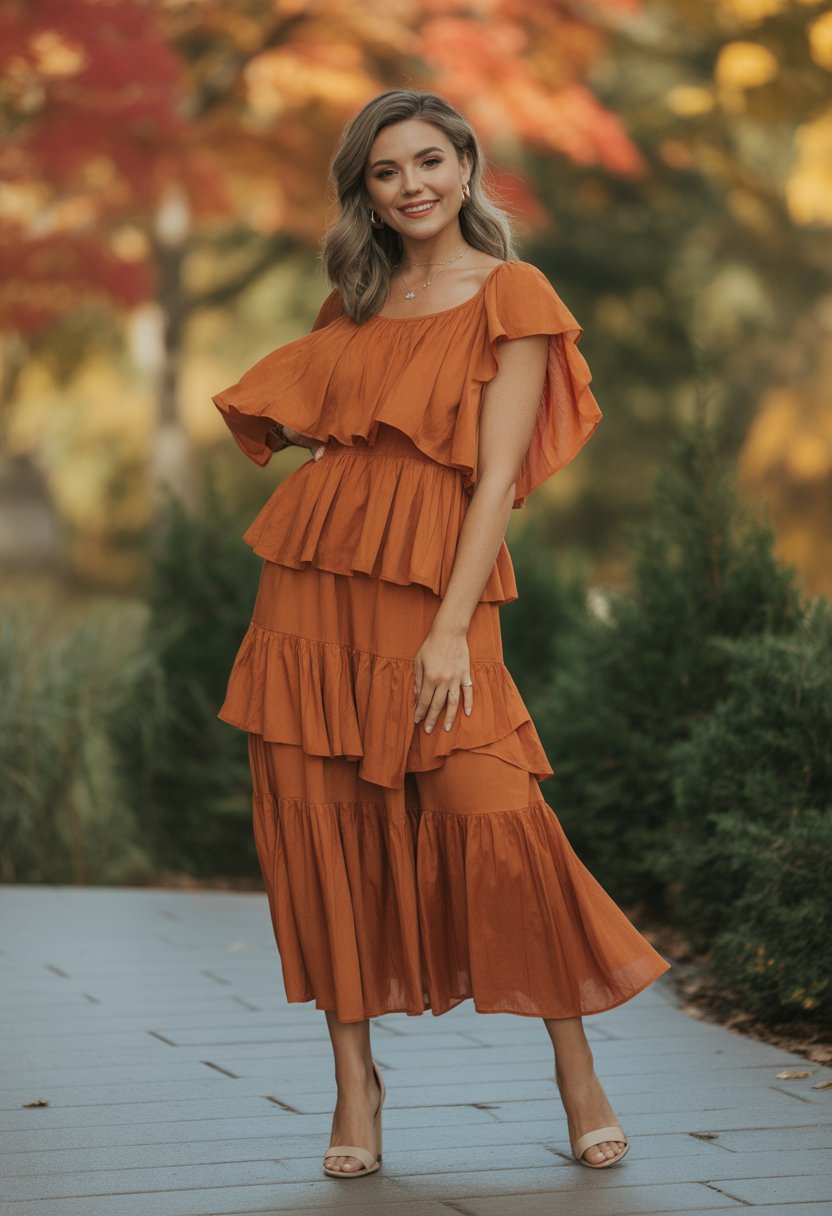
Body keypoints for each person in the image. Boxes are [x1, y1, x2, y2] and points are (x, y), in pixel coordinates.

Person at [212, 87, 671, 1181]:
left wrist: (450, 628)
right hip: (313, 589)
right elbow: (313, 423)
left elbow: (497, 475)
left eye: (428, 160)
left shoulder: (512, 291)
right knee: (322, 819)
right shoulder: (355, 299)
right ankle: (354, 1086)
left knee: (495, 810)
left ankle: (576, 1072)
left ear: (466, 166)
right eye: (386, 171)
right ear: (365, 194)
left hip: (435, 594)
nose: (410, 185)